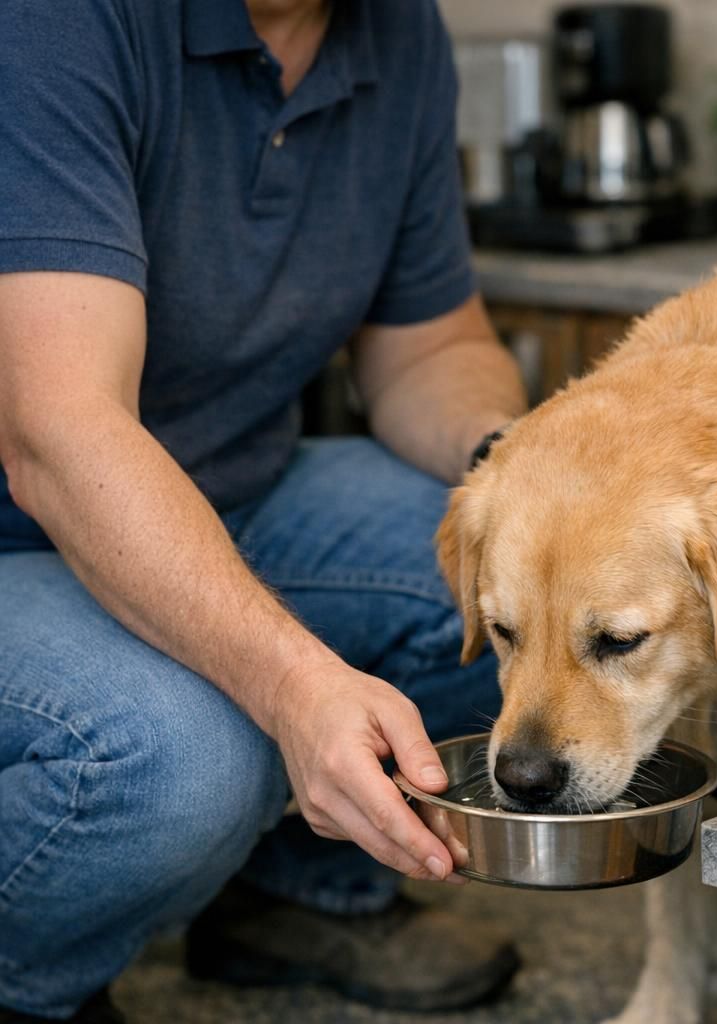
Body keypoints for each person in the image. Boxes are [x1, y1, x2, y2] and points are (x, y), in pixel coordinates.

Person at [0, 0, 529, 1019]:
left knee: (512, 575)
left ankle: (293, 889)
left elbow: (428, 350)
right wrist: (294, 685)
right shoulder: (57, 22)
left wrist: (523, 474)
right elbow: (56, 436)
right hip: (25, 525)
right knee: (188, 756)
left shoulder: (395, 31)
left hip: (233, 489)